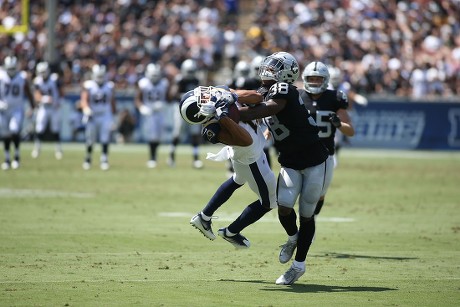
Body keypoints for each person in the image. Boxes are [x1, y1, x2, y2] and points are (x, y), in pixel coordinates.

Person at [237, 52, 332, 285]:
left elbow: (265, 109)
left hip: (313, 160)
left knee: (307, 213)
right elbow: (250, 97)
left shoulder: (285, 90)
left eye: (275, 66)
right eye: (269, 65)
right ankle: (292, 238)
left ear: (288, 72)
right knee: (284, 208)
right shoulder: (264, 90)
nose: (268, 69)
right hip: (289, 159)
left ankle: (298, 265)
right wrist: (225, 95)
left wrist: (231, 112)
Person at [180, 85, 277, 249]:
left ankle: (204, 216)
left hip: (247, 155)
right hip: (250, 158)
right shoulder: (211, 129)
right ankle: (231, 231)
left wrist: (233, 95)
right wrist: (222, 116)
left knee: (237, 179)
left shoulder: (220, 95)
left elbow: (257, 97)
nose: (206, 94)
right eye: (201, 98)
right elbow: (246, 141)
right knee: (271, 201)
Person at [299, 61, 355, 216]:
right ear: (305, 78)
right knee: (294, 195)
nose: (315, 82)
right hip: (300, 152)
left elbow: (350, 131)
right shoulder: (298, 96)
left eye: (318, 79)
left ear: (326, 80)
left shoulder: (335, 97)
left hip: (325, 154)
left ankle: (310, 222)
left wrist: (339, 124)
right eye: (311, 78)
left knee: (318, 196)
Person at [0, 56, 35, 170]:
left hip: (17, 108)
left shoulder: (21, 77)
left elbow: (28, 92)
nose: (10, 70)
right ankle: (6, 158)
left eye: (12, 68)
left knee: (14, 130)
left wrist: (32, 106)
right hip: (3, 109)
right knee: (5, 134)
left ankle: (16, 156)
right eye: (9, 68)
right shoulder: (1, 76)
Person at [80, 64, 117, 170]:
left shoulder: (109, 86)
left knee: (105, 137)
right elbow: (84, 99)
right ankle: (88, 157)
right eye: (98, 76)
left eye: (102, 76)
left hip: (105, 115)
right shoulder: (89, 85)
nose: (100, 78)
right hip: (93, 115)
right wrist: (86, 109)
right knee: (90, 138)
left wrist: (114, 116)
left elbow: (112, 102)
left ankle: (104, 158)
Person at [168, 59, 203, 169]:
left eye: (192, 71)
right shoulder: (180, 80)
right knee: (177, 132)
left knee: (195, 134)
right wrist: (188, 96)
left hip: (195, 109)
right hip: (180, 108)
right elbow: (173, 94)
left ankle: (196, 159)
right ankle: (171, 156)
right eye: (189, 71)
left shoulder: (197, 80)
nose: (190, 73)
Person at [135, 63, 169, 168]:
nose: (154, 77)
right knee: (152, 136)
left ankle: (154, 157)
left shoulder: (164, 83)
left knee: (159, 136)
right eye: (152, 75)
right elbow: (137, 99)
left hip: (160, 112)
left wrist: (164, 104)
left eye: (156, 74)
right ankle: (152, 158)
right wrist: (141, 108)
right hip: (149, 112)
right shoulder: (143, 83)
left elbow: (169, 97)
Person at [31, 61, 64, 160]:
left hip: (54, 107)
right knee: (39, 127)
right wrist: (44, 99)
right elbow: (36, 95)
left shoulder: (54, 79)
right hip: (44, 107)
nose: (42, 74)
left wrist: (60, 101)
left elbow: (61, 91)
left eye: (44, 71)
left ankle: (58, 150)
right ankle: (37, 148)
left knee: (55, 129)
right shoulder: (37, 81)